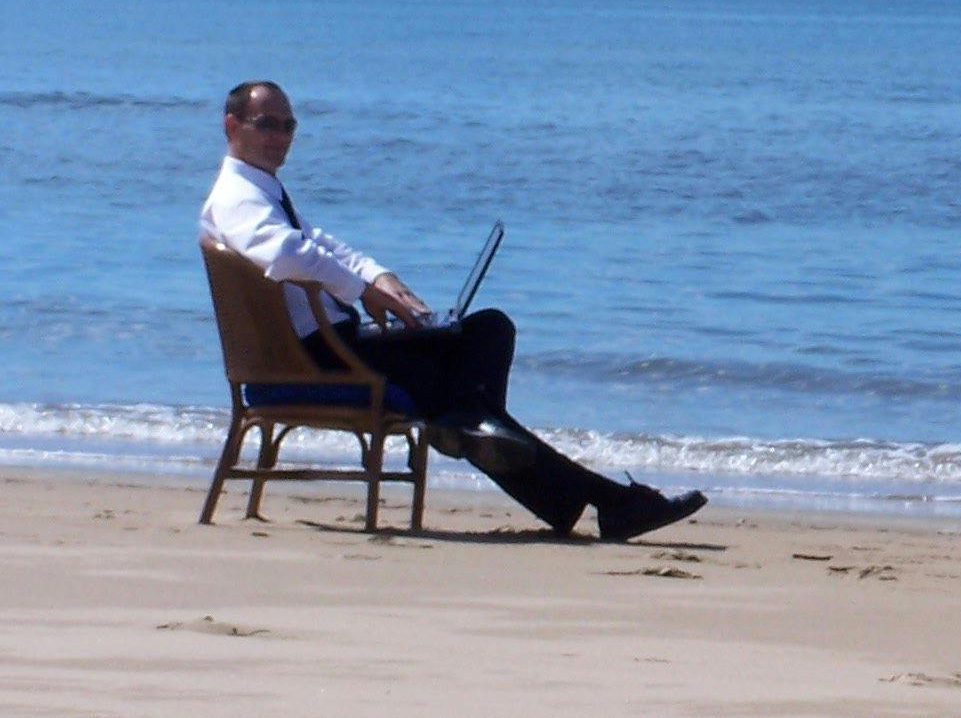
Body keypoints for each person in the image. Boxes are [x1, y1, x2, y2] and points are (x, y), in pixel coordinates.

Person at [199, 79, 705, 542]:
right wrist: (363, 292)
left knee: (486, 332)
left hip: (333, 346)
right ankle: (599, 496)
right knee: (480, 352)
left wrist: (381, 279)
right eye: (267, 124)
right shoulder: (237, 197)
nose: (281, 136)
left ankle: (491, 440)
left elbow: (327, 245)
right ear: (232, 126)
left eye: (289, 126)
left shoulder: (264, 191)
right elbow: (288, 254)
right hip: (319, 358)